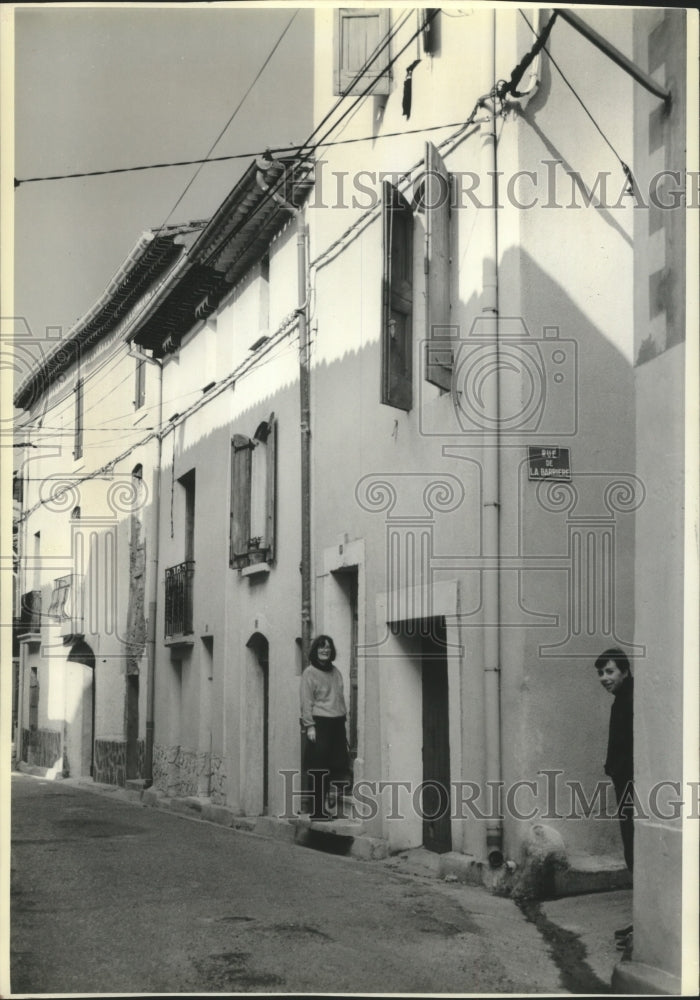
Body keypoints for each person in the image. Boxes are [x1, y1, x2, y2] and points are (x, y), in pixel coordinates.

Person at [595, 646, 634, 949]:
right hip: (626, 785)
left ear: (624, 671)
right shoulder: (622, 700)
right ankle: (641, 920)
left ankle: (642, 926)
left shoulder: (631, 701)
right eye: (601, 673)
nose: (604, 678)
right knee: (632, 851)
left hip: (634, 788)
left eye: (609, 671)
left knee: (635, 850)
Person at [300, 634, 351, 821]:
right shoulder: (309, 673)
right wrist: (310, 726)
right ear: (315, 650)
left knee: (334, 766)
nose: (325, 650)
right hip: (319, 723)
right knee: (318, 769)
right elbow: (306, 701)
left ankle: (327, 807)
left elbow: (339, 697)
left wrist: (343, 721)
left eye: (328, 647)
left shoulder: (336, 672)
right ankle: (317, 811)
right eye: (321, 647)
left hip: (337, 723)